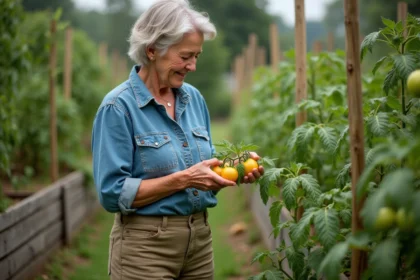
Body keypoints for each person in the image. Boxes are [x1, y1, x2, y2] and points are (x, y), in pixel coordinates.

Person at [91, 0, 264, 279]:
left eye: (197, 56)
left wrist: (232, 172)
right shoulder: (118, 108)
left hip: (199, 244)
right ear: (152, 50)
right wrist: (185, 179)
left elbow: (201, 176)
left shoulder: (194, 99)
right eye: (185, 56)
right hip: (145, 249)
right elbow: (112, 193)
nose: (193, 66)